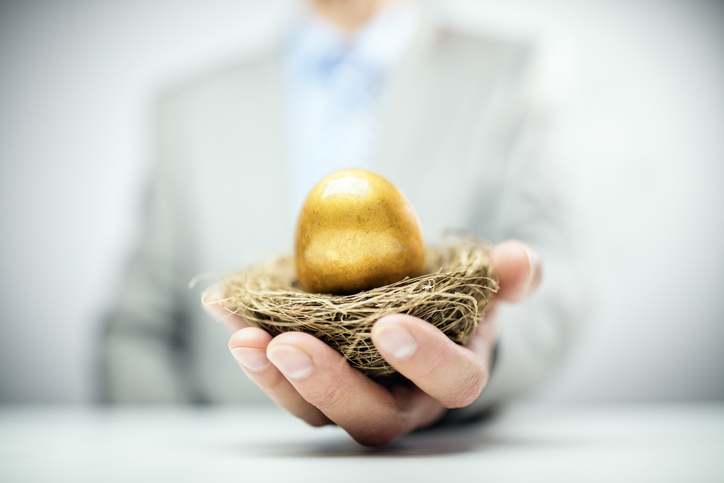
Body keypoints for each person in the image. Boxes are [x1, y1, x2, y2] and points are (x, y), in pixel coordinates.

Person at [100, 0, 583, 446]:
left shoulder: (510, 70)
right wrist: (177, 459)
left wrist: (477, 350)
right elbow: (138, 329)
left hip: (440, 456)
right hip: (244, 456)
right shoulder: (187, 106)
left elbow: (559, 275)